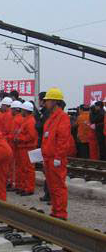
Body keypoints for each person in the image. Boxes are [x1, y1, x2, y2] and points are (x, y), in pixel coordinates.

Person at [41, 88, 72, 220]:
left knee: (58, 186)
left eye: (47, 101)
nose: (45, 103)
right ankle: (55, 210)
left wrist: (59, 157)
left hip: (56, 158)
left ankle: (61, 213)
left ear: (55, 101)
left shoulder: (62, 117)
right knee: (52, 186)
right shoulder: (50, 118)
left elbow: (63, 139)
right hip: (48, 158)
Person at [14, 101, 38, 195]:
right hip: (24, 148)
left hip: (28, 148)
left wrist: (19, 139)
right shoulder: (27, 120)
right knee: (23, 168)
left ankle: (29, 188)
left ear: (25, 110)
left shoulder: (30, 121)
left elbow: (31, 136)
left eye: (22, 110)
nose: (21, 112)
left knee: (28, 169)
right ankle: (23, 187)